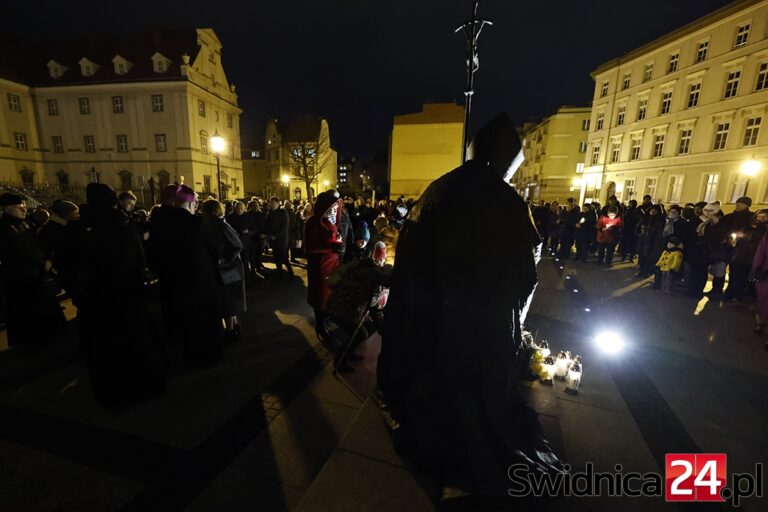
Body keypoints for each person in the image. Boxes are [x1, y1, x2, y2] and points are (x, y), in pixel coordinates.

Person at [378, 113, 561, 499]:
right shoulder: (508, 201)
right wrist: (514, 322)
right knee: (479, 400)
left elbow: (408, 257)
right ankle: (467, 464)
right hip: (483, 324)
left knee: (440, 391)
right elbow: (526, 272)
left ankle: (443, 456)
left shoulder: (438, 189)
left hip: (433, 318)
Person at [77, 183, 166, 405]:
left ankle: (115, 390)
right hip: (126, 294)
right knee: (135, 341)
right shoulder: (123, 225)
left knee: (108, 348)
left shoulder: (86, 228)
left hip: (100, 297)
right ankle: (141, 383)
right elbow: (136, 260)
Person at [147, 185, 224, 367]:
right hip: (199, 283)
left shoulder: (158, 224)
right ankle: (205, 357)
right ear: (190, 203)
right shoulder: (196, 223)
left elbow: (151, 254)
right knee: (202, 324)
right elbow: (217, 248)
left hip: (171, 283)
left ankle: (184, 355)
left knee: (181, 324)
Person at [0, 193, 66, 347]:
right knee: (26, 312)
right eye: (20, 208)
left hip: (36, 274)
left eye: (24, 206)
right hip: (21, 276)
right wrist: (42, 262)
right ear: (9, 210)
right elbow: (20, 249)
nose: (24, 210)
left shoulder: (26, 223)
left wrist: (48, 258)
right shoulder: (4, 228)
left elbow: (38, 243)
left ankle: (49, 336)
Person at [326, 241, 392, 373]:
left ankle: (350, 353)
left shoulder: (364, 266)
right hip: (341, 309)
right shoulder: (374, 278)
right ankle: (340, 361)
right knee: (360, 334)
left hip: (335, 304)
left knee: (360, 331)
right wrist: (383, 328)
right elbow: (374, 307)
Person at [201, 199, 246, 338]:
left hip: (228, 269)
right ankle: (234, 327)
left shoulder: (219, 225)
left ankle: (231, 331)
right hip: (225, 268)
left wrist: (224, 259)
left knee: (227, 301)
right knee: (227, 300)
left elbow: (237, 245)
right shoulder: (215, 224)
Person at [304, 191, 344, 341]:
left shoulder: (331, 221)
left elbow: (334, 239)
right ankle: (320, 326)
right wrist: (330, 248)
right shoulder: (312, 222)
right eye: (331, 206)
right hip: (319, 267)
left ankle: (325, 321)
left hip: (333, 264)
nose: (334, 209)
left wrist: (339, 246)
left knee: (329, 296)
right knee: (320, 297)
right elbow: (309, 247)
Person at [265, 197, 293, 277]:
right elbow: (267, 224)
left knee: (283, 257)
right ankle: (279, 272)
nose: (273, 205)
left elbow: (285, 227)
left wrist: (276, 235)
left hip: (282, 239)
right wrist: (265, 233)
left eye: (274, 203)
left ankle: (290, 272)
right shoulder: (269, 213)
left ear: (278, 203)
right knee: (276, 257)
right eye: (271, 203)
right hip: (273, 239)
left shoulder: (283, 212)